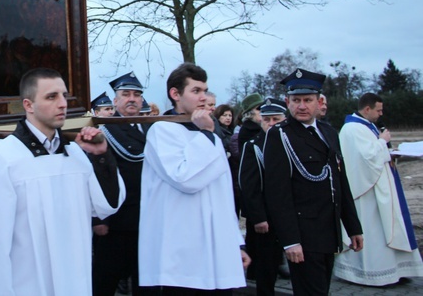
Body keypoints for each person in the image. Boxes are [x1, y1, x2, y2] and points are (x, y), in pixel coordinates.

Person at [0, 68, 124, 295]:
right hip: (27, 285)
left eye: (64, 95)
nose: (63, 104)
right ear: (28, 105)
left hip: (74, 283)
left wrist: (101, 156)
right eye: (51, 97)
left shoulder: (76, 155)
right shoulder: (2, 159)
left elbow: (106, 205)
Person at [139, 63, 249, 294]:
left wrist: (236, 242)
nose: (204, 98)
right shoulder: (162, 131)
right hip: (182, 254)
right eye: (196, 91)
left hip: (217, 247)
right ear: (175, 94)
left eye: (206, 91)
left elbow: (223, 195)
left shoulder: (211, 136)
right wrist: (207, 134)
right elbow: (185, 179)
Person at [263, 69, 363, 296]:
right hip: (304, 235)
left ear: (319, 102)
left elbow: (340, 182)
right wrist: (290, 241)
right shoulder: (280, 135)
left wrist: (353, 227)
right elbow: (278, 194)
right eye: (296, 100)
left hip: (329, 231)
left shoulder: (328, 132)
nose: (301, 106)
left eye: (308, 100)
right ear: (287, 102)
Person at [334, 93, 423, 286]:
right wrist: (382, 141)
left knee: (386, 229)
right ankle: (369, 274)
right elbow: (366, 159)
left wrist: (390, 151)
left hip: (378, 187)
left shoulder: (366, 126)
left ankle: (394, 271)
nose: (381, 114)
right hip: (365, 194)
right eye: (378, 110)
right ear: (367, 109)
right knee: (372, 232)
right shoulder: (352, 129)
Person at [93, 71, 147, 296]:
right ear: (115, 101)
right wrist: (97, 218)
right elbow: (94, 175)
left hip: (146, 220)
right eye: (126, 94)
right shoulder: (104, 130)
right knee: (105, 281)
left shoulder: (152, 128)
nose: (132, 99)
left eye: (137, 94)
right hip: (115, 222)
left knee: (145, 281)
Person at [238, 99, 288, 296]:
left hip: (291, 214)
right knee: (267, 264)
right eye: (267, 119)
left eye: (276, 119)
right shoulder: (254, 146)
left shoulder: (292, 142)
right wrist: (258, 217)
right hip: (267, 216)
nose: (271, 123)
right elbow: (248, 185)